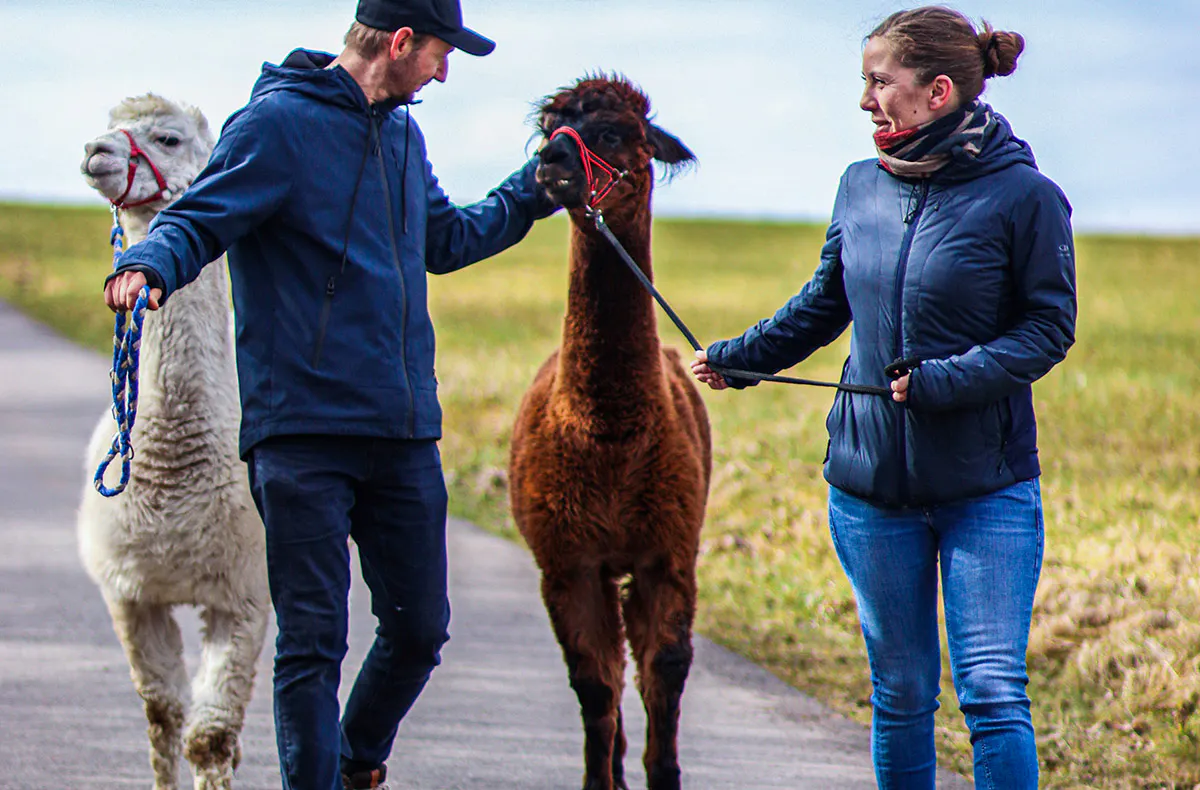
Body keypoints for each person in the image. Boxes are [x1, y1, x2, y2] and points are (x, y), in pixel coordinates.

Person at [103, 1, 556, 787]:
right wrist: (151, 264)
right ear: (403, 40)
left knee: (420, 630)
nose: (446, 73)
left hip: (402, 429)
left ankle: (352, 763)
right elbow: (201, 217)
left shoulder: (404, 137)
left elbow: (445, 241)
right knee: (312, 641)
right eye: (442, 54)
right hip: (302, 432)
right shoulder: (276, 125)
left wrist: (535, 186)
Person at [691, 7, 1075, 789]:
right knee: (899, 695)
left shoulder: (1026, 198)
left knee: (993, 695)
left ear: (937, 91)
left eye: (878, 82)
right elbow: (824, 304)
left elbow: (1047, 329)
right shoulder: (859, 186)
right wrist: (738, 360)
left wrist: (943, 380)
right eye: (864, 82)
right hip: (870, 491)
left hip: (986, 490)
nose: (865, 101)